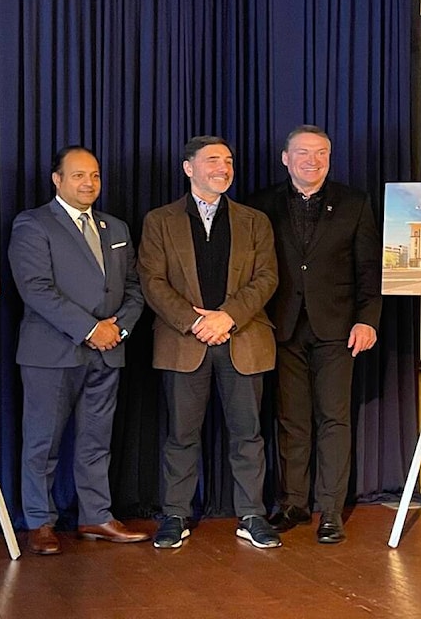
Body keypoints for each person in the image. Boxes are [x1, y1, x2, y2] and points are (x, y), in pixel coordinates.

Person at [138, 136, 282, 550]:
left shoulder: (254, 220)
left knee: (248, 435)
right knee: (181, 436)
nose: (224, 167)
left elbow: (267, 277)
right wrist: (193, 322)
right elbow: (152, 280)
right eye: (213, 160)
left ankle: (252, 514)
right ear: (189, 168)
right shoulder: (159, 220)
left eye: (229, 160)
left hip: (243, 339)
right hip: (185, 342)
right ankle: (176, 514)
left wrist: (228, 317)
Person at [8, 146, 148, 555]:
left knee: (96, 441)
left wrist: (116, 329)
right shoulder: (33, 224)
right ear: (57, 179)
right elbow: (35, 288)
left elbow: (136, 289)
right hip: (52, 353)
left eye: (95, 176)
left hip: (109, 351)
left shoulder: (116, 228)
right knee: (43, 442)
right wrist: (89, 329)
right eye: (78, 176)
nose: (89, 184)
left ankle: (96, 517)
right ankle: (40, 521)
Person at [247, 125, 382, 544]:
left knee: (334, 420)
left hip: (338, 329)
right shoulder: (260, 204)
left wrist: (368, 320)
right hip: (282, 327)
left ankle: (330, 510)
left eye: (321, 153)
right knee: (291, 421)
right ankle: (293, 504)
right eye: (303, 152)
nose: (312, 160)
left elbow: (369, 269)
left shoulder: (354, 203)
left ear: (330, 158)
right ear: (285, 158)